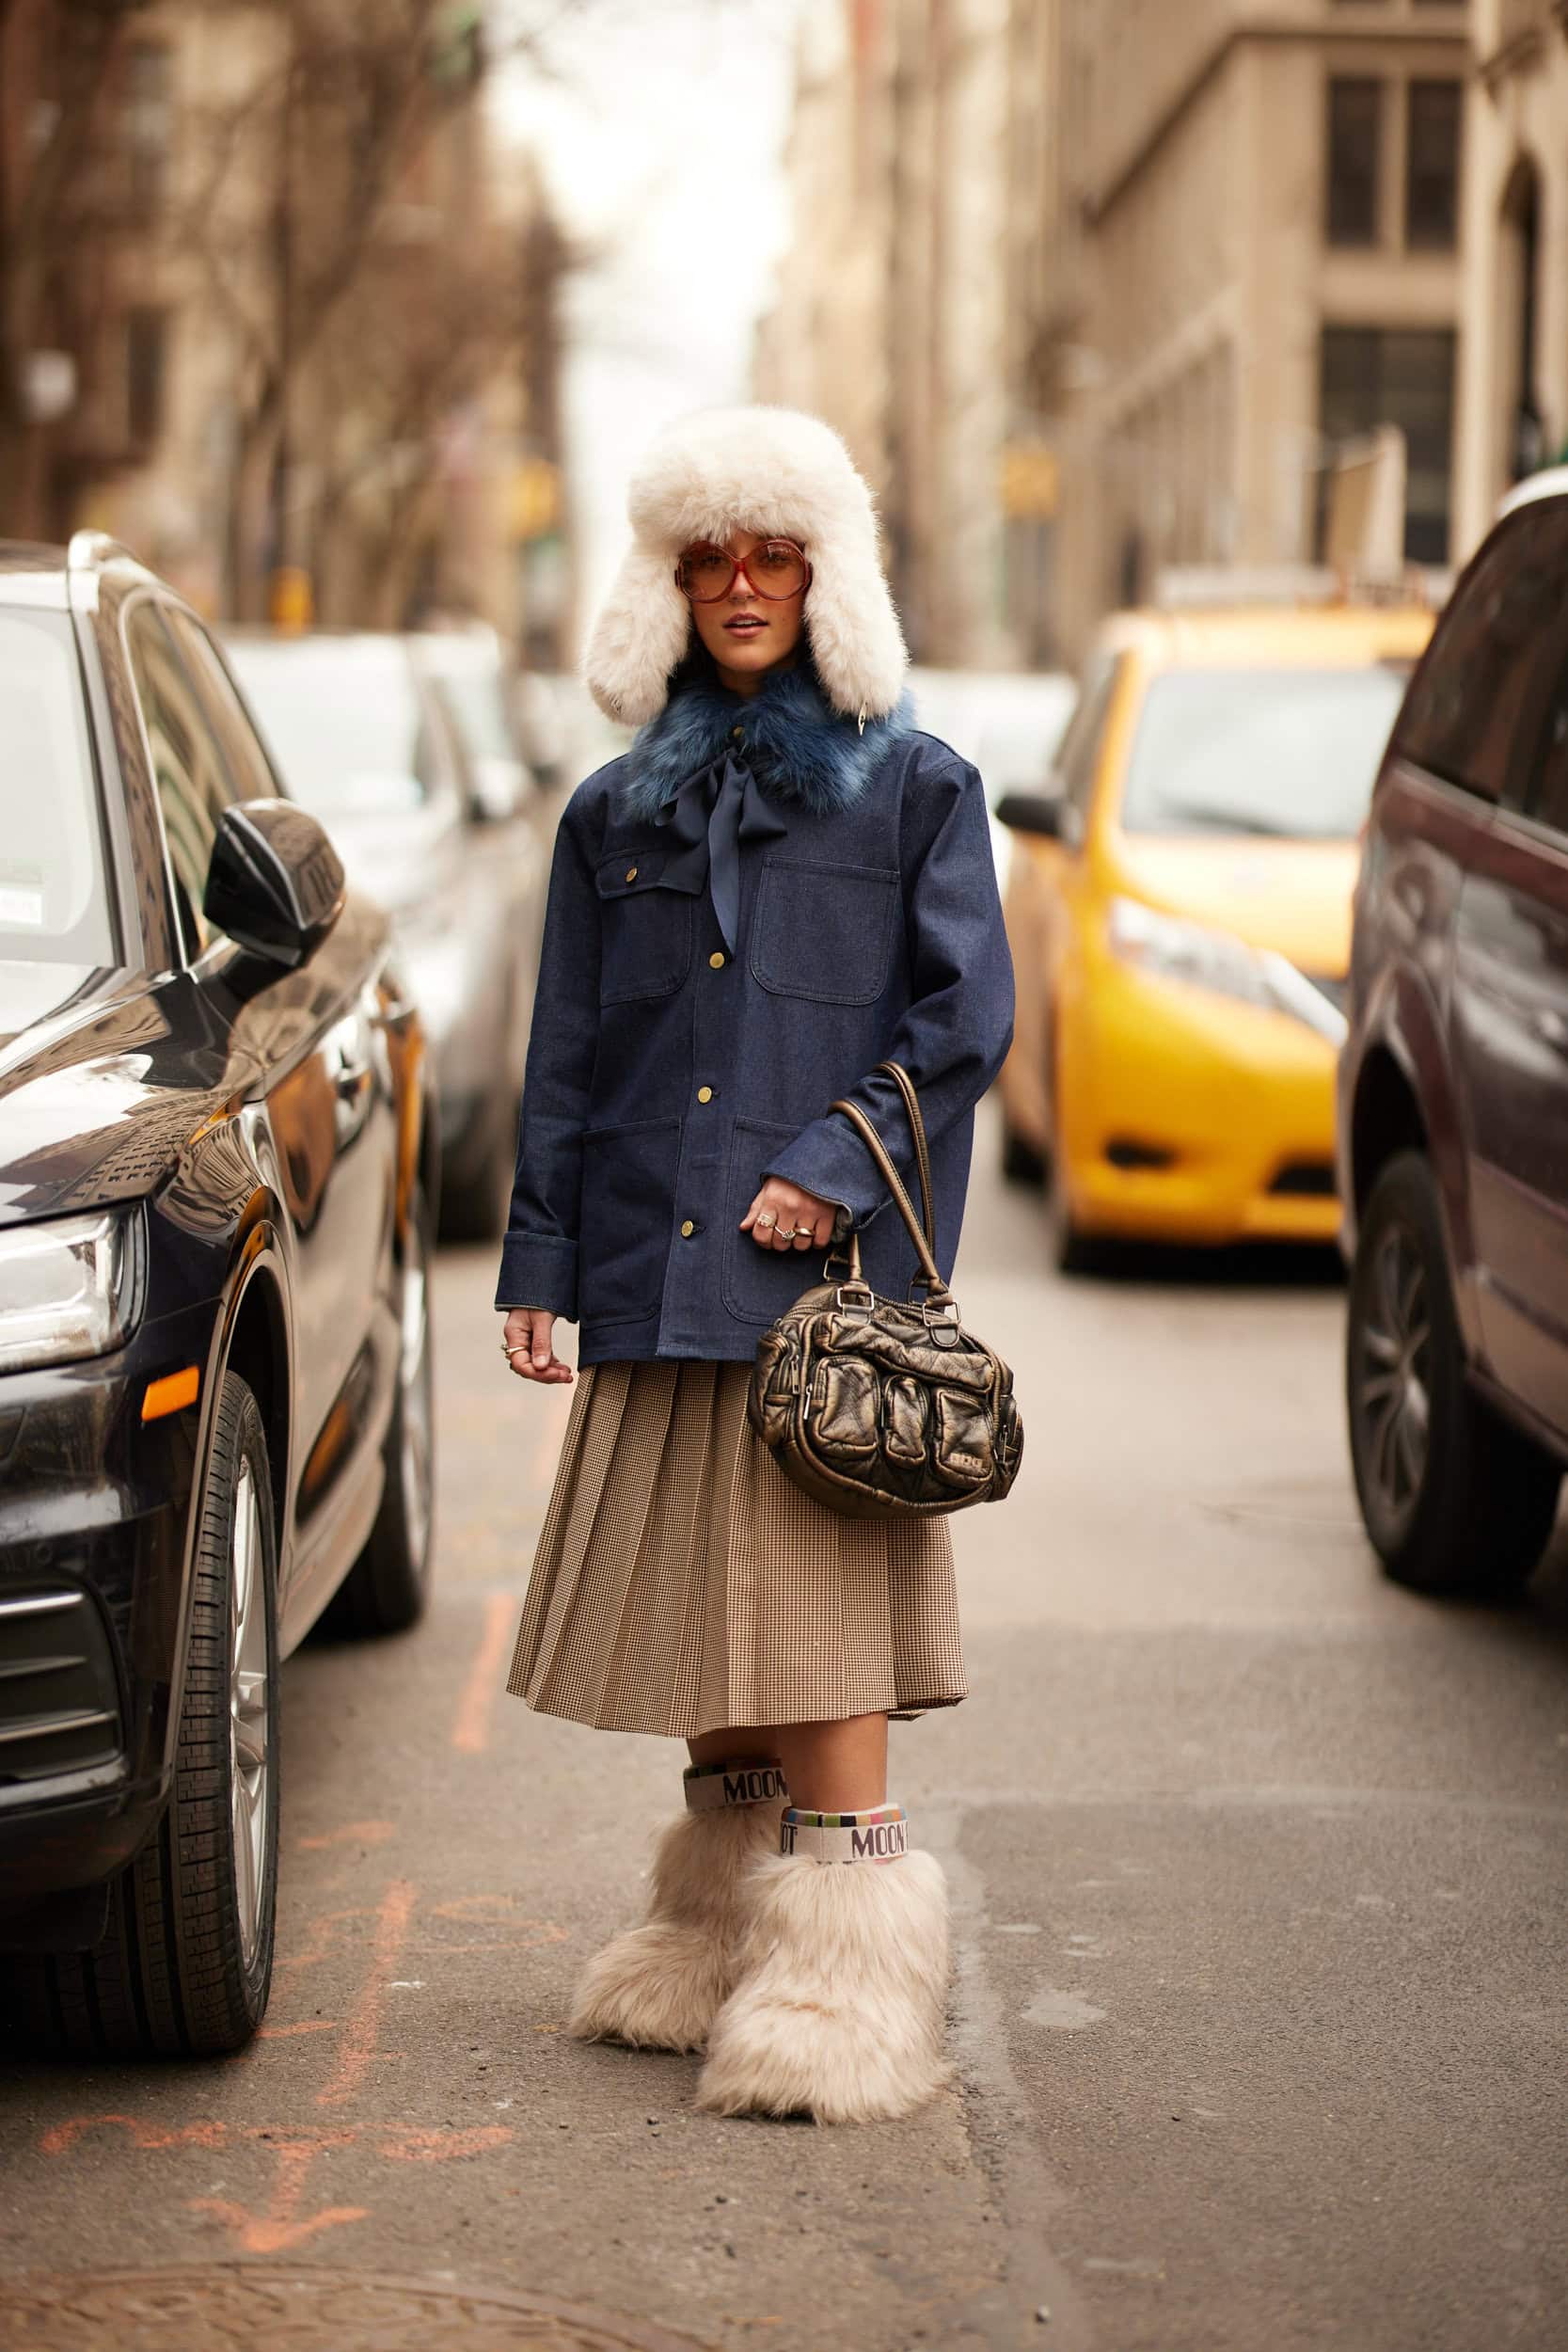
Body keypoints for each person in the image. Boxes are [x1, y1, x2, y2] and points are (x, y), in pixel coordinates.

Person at [495, 405, 1013, 2124]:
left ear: (824, 577)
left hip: (820, 1299)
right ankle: (713, 1938)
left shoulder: (919, 791)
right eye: (707, 556)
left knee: (808, 1637)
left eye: (771, 554)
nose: (738, 586)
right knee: (700, 1629)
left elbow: (962, 1023)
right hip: (655, 1265)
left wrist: (832, 1166)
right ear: (671, 581)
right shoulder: (603, 815)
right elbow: (567, 1047)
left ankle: (848, 1992)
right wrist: (539, 1262)